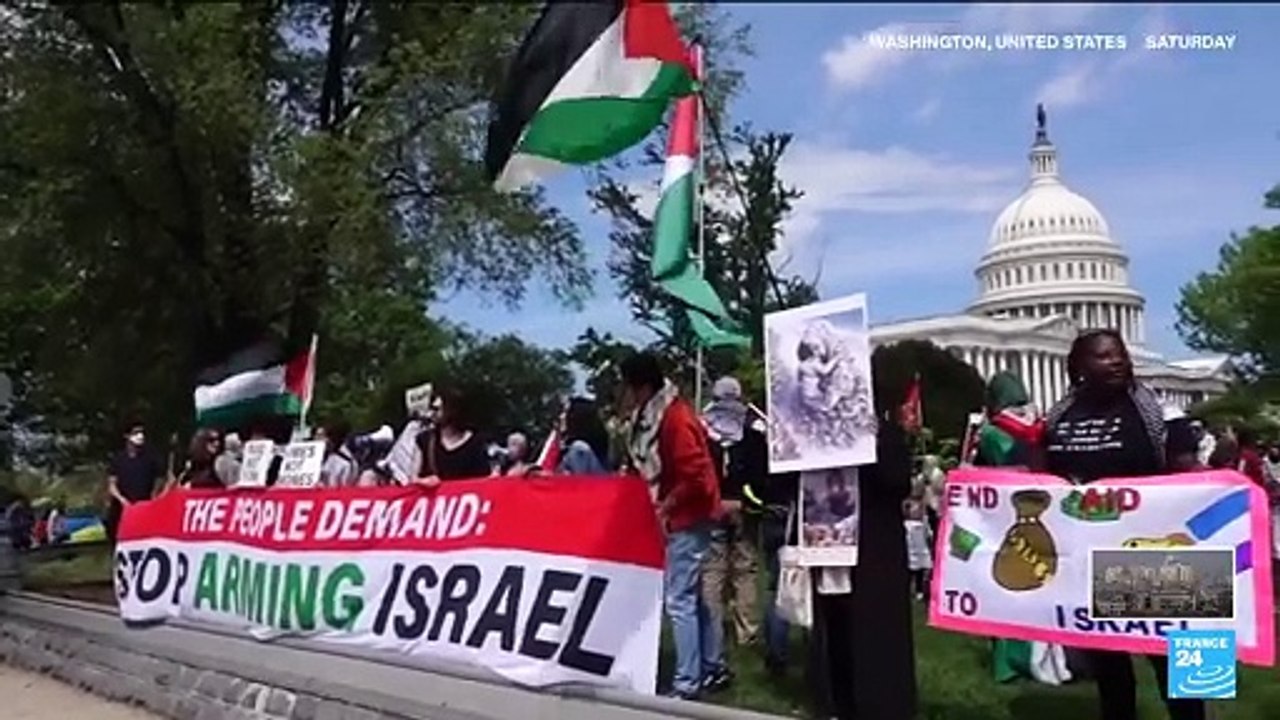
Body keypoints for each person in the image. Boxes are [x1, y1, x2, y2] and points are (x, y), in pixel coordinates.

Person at [1038, 329, 1204, 720]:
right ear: (1079, 366)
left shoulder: (1159, 411)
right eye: (1102, 355)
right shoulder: (1059, 417)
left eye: (1119, 354)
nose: (1115, 361)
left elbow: (1187, 470)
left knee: (1181, 666)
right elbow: (1043, 475)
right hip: (1088, 553)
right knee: (1110, 669)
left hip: (1156, 550)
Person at [619, 351, 727, 700]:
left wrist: (667, 504)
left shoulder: (675, 420)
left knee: (679, 600)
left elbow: (695, 473)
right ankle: (712, 666)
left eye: (631, 388)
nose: (629, 395)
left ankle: (687, 682)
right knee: (693, 597)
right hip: (692, 514)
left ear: (644, 386)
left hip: (687, 517)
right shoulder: (670, 413)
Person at [806, 387, 917, 720]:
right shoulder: (821, 434)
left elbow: (896, 481)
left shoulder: (881, 434)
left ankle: (874, 704)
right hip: (837, 545)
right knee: (839, 628)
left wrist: (872, 442)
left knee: (871, 635)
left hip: (871, 551)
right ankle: (842, 701)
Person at [701, 376, 766, 650]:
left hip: (712, 506)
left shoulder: (701, 427)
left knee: (712, 571)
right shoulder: (755, 426)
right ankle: (747, 632)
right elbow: (762, 470)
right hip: (744, 506)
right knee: (745, 571)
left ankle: (711, 629)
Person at [415, 387, 491, 485]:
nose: (431, 413)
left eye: (436, 409)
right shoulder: (425, 440)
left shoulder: (475, 442)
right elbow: (412, 479)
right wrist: (423, 482)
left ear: (452, 410)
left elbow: (484, 481)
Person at [104, 420, 165, 543]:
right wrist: (122, 500)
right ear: (127, 436)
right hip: (123, 508)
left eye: (142, 432)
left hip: (144, 506)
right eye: (136, 432)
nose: (140, 436)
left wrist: (155, 495)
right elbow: (112, 485)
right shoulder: (118, 459)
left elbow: (161, 479)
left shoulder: (150, 458)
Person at [557, 397, 611, 475]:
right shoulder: (591, 452)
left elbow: (575, 484)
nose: (561, 416)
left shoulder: (580, 449)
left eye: (566, 412)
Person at [903, 498, 932, 601]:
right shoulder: (906, 525)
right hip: (911, 552)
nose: (917, 511)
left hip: (922, 551)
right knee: (911, 573)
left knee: (921, 572)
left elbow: (928, 536)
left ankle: (920, 591)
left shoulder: (923, 523)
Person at [317, 420, 359, 487]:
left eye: (321, 436)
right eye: (316, 436)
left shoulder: (345, 462)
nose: (317, 440)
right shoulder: (313, 459)